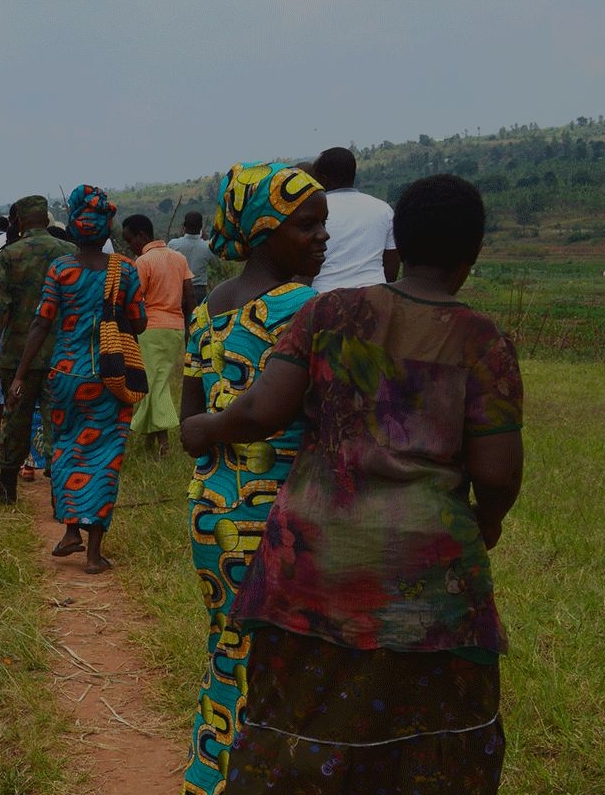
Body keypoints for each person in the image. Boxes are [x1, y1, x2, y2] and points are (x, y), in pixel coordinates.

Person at [180, 174, 520, 793]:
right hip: (432, 574)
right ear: (473, 254)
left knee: (289, 721)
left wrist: (199, 429)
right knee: (435, 740)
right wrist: (486, 521)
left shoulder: (329, 312)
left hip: (308, 565)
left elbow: (264, 411)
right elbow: (497, 473)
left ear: (398, 248)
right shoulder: (482, 341)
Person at [177, 161, 326, 794]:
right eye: (306, 226)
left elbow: (187, 427)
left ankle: (208, 777)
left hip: (211, 513)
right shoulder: (304, 307)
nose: (321, 238)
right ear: (265, 231)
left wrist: (216, 431)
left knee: (228, 653)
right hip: (277, 519)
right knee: (285, 670)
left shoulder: (208, 310)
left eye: (323, 225)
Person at [10, 185, 145, 574]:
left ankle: (71, 530)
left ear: (72, 227)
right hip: (110, 376)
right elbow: (139, 322)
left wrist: (20, 375)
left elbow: (41, 322)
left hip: (66, 375)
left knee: (67, 449)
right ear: (107, 228)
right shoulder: (125, 270)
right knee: (104, 459)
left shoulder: (61, 270)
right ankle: (93, 554)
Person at [0, 195, 75, 503]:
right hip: (64, 355)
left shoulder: (10, 255)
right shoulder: (70, 253)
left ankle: (7, 484)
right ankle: (62, 494)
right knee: (59, 421)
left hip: (19, 354)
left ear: (19, 222)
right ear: (46, 220)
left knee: (16, 419)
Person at [120, 213, 192, 455]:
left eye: (130, 240)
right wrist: (190, 328)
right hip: (175, 328)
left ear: (142, 236)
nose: (130, 246)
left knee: (153, 384)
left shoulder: (143, 262)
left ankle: (163, 444)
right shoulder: (179, 258)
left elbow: (135, 299)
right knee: (155, 381)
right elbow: (189, 296)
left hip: (150, 328)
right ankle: (150, 441)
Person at [307, 146, 398, 291]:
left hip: (325, 299)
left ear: (323, 179)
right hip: (374, 297)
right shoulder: (383, 209)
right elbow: (392, 268)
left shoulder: (313, 211)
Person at [168, 210, 220, 316]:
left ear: (184, 226)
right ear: (201, 227)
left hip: (178, 290)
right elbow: (216, 266)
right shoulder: (207, 247)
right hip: (198, 291)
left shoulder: (173, 244)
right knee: (196, 324)